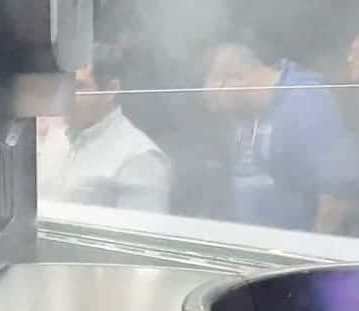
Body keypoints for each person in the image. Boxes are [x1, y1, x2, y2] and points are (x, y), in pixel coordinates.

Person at [204, 42, 359, 233]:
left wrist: (312, 253)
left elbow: (338, 194)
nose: (216, 110)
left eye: (216, 100)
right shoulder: (244, 116)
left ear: (238, 77)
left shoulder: (305, 101)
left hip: (297, 256)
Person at [39, 44, 172, 214]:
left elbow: (137, 238)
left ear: (111, 90)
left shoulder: (141, 159)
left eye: (77, 87)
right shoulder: (52, 134)